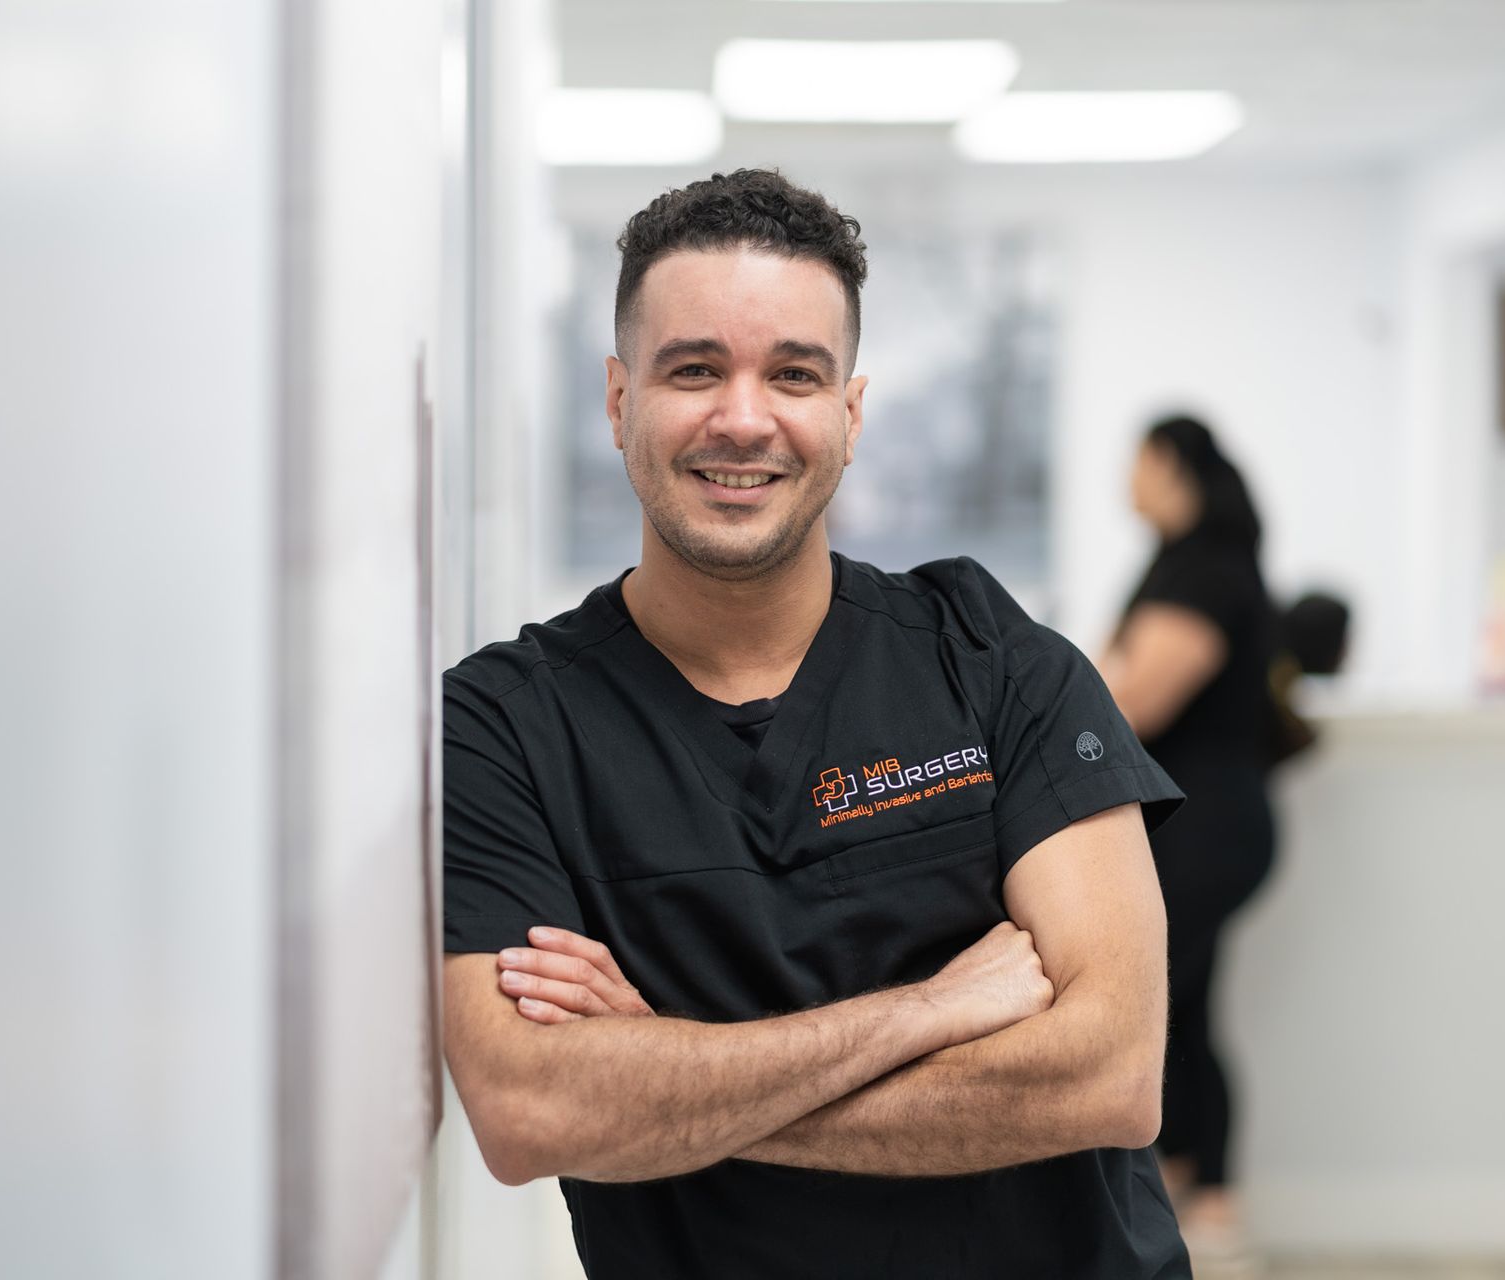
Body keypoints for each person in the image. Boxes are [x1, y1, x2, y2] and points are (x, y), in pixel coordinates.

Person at [441, 169, 1188, 1279]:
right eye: (694, 368)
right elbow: (530, 1107)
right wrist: (931, 1009)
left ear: (848, 411)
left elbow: (1110, 1075)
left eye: (793, 373)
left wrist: (658, 1077)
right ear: (617, 399)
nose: (743, 418)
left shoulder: (991, 661)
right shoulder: (502, 726)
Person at [1097, 415, 1278, 1268]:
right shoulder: (1183, 563)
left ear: (1171, 465)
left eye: (1135, 464)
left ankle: (1200, 1206)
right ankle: (1193, 1203)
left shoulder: (1204, 570)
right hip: (1197, 821)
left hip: (1210, 826)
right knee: (1182, 1010)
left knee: (1160, 1009)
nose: (1125, 482)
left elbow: (1137, 701)